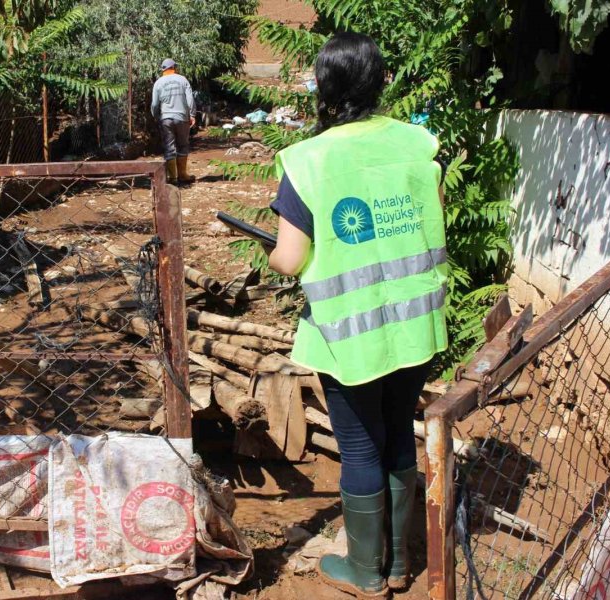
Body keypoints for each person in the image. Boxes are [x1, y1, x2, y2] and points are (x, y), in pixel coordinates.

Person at [266, 32, 449, 598]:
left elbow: (289, 260)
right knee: (398, 434)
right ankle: (398, 564)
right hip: (415, 326)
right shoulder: (417, 144)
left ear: (323, 88)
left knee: (362, 445)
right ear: (380, 81)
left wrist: (275, 253)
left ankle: (367, 571)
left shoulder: (308, 161)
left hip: (350, 339)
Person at [151, 58, 196, 184]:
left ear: (163, 69)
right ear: (174, 67)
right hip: (182, 118)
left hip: (166, 119)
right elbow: (190, 99)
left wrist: (156, 116)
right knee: (183, 145)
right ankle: (183, 175)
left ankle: (172, 178)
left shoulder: (158, 83)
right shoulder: (183, 80)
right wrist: (192, 114)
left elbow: (154, 104)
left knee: (169, 147)